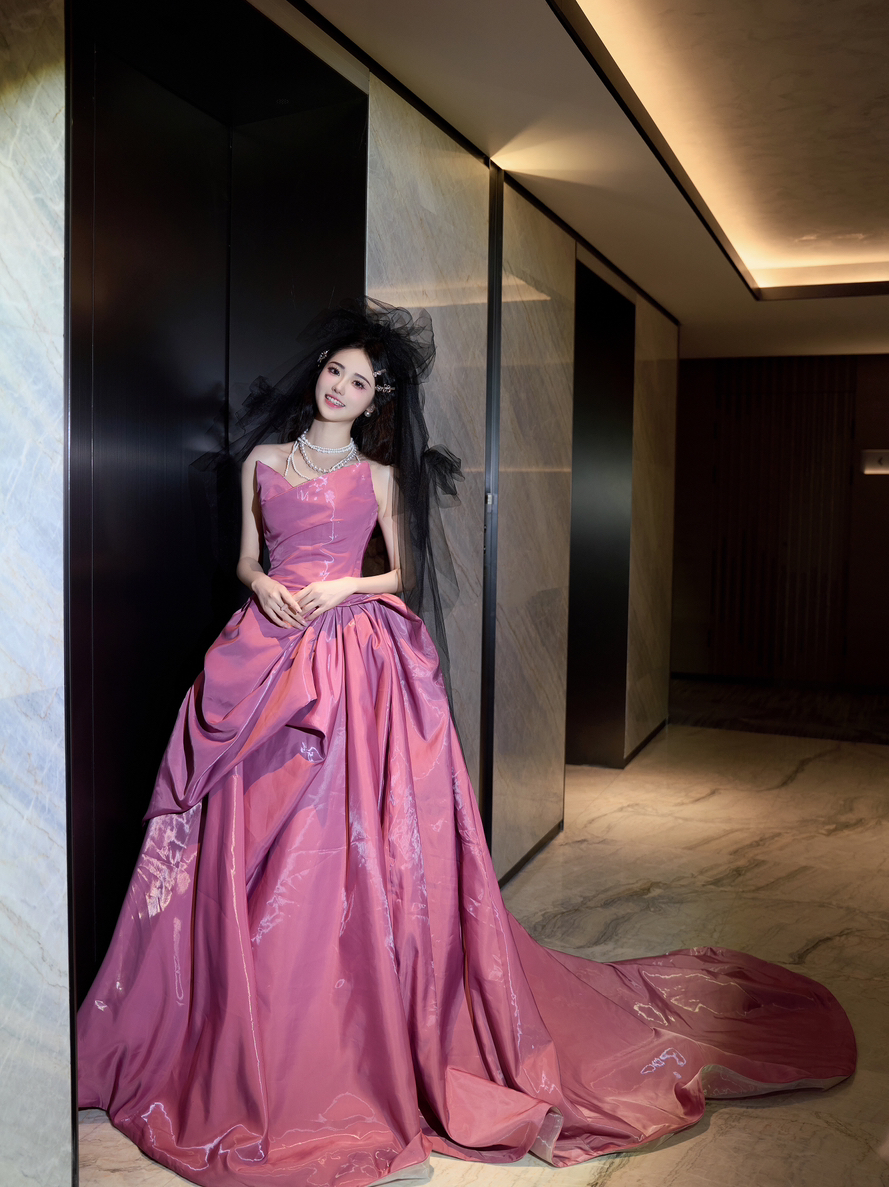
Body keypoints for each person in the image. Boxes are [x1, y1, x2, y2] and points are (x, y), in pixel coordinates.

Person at [78, 298, 856, 1187]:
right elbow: (248, 557)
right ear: (318, 376)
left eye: (358, 382)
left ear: (373, 401)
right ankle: (245, 1002)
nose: (340, 387)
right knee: (245, 827)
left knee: (338, 829)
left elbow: (401, 572)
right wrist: (262, 588)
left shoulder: (376, 477)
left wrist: (340, 590)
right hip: (264, 646)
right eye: (334, 371)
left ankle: (337, 996)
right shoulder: (261, 461)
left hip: (351, 654)